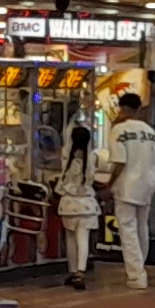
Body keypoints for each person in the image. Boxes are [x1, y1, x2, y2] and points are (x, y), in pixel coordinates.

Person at [101, 89, 155, 286]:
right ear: (138, 109)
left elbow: (119, 162)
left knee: (128, 230)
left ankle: (136, 275)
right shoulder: (150, 132)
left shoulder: (118, 130)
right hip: (147, 183)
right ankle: (140, 267)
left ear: (121, 108)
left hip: (126, 185)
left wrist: (109, 185)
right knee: (142, 227)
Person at [51, 110, 99, 294]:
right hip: (87, 203)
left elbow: (62, 179)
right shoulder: (92, 157)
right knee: (83, 238)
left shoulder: (66, 154)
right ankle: (81, 271)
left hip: (69, 203)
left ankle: (72, 271)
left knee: (70, 238)